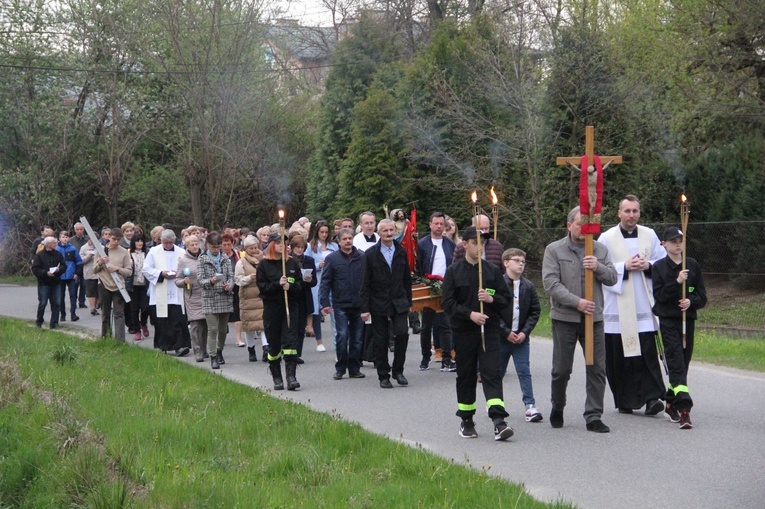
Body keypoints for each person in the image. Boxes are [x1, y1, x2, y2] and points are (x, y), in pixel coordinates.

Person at [542, 206, 618, 432]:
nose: (584, 230)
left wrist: (598, 267)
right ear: (569, 225)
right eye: (579, 224)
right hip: (565, 318)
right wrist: (577, 302)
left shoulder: (600, 250)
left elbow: (613, 278)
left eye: (588, 226)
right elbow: (551, 284)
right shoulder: (554, 250)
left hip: (593, 320)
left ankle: (593, 415)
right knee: (561, 369)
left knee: (597, 368)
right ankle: (557, 405)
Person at [441, 226, 515, 441]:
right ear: (465, 244)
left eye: (483, 243)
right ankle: (466, 420)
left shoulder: (492, 271)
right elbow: (448, 303)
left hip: (489, 331)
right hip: (464, 331)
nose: (480, 247)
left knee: (492, 373)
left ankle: (499, 421)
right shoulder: (454, 271)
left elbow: (505, 298)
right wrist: (470, 314)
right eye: (476, 243)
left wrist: (492, 300)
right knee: (465, 375)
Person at [598, 195, 667, 415]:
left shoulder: (650, 235)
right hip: (617, 306)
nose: (631, 215)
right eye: (627, 211)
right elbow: (599, 268)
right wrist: (623, 267)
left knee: (646, 353)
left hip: (643, 305)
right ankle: (625, 400)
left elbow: (663, 262)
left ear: (639, 213)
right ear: (619, 213)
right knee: (619, 356)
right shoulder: (606, 238)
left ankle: (652, 398)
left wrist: (647, 265)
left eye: (635, 211)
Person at [652, 226, 707, 429]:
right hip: (668, 322)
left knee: (682, 363)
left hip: (687, 321)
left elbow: (702, 296)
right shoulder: (659, 267)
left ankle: (669, 400)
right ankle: (684, 409)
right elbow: (660, 297)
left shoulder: (692, 265)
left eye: (680, 241)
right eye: (673, 241)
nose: (677, 244)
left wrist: (691, 302)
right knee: (676, 363)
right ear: (664, 244)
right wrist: (677, 282)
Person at [359, 219, 412, 389]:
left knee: (402, 333)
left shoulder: (401, 251)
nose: (389, 234)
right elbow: (365, 282)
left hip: (399, 300)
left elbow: (406, 279)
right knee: (380, 340)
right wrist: (364, 308)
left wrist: (409, 302)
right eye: (385, 231)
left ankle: (398, 370)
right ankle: (383, 375)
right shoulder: (371, 254)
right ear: (379, 233)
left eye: (391, 230)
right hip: (378, 302)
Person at [498, 248, 543, 422]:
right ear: (506, 263)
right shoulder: (497, 284)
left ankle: (530, 406)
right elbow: (492, 312)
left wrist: (524, 332)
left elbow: (535, 311)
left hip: (521, 339)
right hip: (502, 339)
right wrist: (506, 331)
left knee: (524, 371)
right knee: (498, 372)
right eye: (517, 260)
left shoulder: (529, 286)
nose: (521, 264)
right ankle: (495, 404)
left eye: (523, 261)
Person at [257, 232, 304, 391]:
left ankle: (291, 376)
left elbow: (300, 286)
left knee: (291, 342)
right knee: (274, 343)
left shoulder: (292, 263)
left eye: (283, 243)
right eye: (277, 242)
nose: (281, 245)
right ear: (271, 244)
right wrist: (277, 284)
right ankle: (277, 376)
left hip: (290, 308)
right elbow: (262, 288)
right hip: (272, 309)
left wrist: (290, 287)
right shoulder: (263, 265)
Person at [320, 228, 365, 380]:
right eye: (344, 239)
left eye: (349, 238)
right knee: (342, 335)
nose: (347, 241)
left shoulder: (361, 257)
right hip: (340, 303)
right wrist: (324, 302)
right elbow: (325, 281)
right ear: (339, 242)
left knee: (357, 338)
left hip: (358, 304)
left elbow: (368, 280)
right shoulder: (333, 259)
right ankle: (340, 367)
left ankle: (354, 367)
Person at [417, 211, 457, 372]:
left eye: (442, 224)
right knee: (426, 325)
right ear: (430, 224)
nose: (439, 226)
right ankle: (425, 356)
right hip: (428, 287)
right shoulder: (422, 244)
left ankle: (447, 357)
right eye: (436, 223)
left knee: (446, 324)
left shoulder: (449, 244)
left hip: (445, 288)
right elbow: (418, 265)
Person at [143, 229, 191, 356]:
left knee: (177, 319)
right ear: (161, 241)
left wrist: (179, 274)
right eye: (165, 243)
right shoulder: (154, 251)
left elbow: (187, 268)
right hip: (160, 289)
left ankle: (179, 346)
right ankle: (162, 345)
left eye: (170, 243)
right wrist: (161, 273)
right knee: (162, 320)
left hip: (176, 290)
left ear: (174, 241)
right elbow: (146, 269)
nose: (168, 245)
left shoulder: (181, 252)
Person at [197, 231, 234, 370]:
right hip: (210, 298)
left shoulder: (225, 257)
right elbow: (200, 280)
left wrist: (229, 285)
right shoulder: (202, 259)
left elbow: (231, 276)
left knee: (223, 330)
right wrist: (211, 281)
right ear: (207, 245)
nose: (216, 250)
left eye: (218, 247)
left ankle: (219, 351)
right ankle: (213, 356)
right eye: (213, 247)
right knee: (212, 329)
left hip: (224, 296)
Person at [92, 228, 133, 341]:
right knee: (105, 312)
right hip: (104, 284)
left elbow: (129, 271)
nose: (116, 242)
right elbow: (94, 270)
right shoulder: (101, 250)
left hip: (118, 285)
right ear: (109, 237)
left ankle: (120, 340)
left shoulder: (124, 252)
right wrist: (100, 262)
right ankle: (106, 337)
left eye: (119, 240)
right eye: (114, 239)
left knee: (119, 313)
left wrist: (117, 269)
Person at [176, 235, 208, 362]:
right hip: (192, 295)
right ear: (187, 246)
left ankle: (205, 349)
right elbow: (177, 280)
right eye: (192, 245)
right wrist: (184, 281)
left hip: (205, 294)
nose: (195, 247)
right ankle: (198, 351)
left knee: (205, 324)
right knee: (195, 325)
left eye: (196, 244)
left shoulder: (205, 257)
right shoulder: (183, 260)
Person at [305, 219, 337, 350]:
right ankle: (319, 342)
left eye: (326, 232)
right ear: (316, 232)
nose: (324, 234)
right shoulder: (310, 246)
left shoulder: (334, 246)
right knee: (317, 311)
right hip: (317, 281)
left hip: (333, 282)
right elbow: (306, 265)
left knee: (335, 310)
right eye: (321, 232)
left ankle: (337, 340)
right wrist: (319, 265)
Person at [235, 235, 266, 362]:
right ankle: (251, 349)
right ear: (246, 249)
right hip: (248, 298)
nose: (254, 250)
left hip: (262, 296)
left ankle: (266, 348)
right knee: (249, 326)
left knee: (264, 324)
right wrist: (249, 278)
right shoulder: (241, 262)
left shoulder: (264, 260)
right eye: (251, 248)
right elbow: (238, 280)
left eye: (255, 247)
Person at [291, 234, 317, 363]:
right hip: (292, 296)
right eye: (297, 247)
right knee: (292, 327)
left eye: (302, 247)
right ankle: (289, 352)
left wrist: (310, 280)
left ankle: (297, 353)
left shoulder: (309, 261)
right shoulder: (287, 260)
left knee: (301, 327)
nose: (300, 250)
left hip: (304, 296)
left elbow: (314, 282)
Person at [31, 236, 66, 329]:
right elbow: (35, 269)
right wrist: (45, 273)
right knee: (43, 303)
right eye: (54, 243)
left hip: (56, 282)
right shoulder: (39, 255)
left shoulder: (58, 254)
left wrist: (59, 269)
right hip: (44, 283)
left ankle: (54, 323)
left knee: (57, 303)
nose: (56, 244)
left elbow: (64, 265)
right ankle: (39, 321)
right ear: (48, 244)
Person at [221, 233, 244, 347]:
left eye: (228, 244)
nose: (226, 247)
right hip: (221, 286)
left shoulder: (238, 255)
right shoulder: (218, 256)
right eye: (224, 244)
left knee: (237, 312)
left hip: (236, 286)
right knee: (222, 313)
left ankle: (238, 338)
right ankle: (221, 337)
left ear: (233, 244)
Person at [56, 230, 83, 322]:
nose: (65, 239)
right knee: (60, 296)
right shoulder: (56, 249)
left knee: (73, 294)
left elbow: (79, 262)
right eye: (63, 237)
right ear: (59, 238)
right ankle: (62, 314)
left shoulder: (73, 249)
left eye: (66, 237)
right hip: (60, 276)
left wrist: (77, 273)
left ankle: (73, 314)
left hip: (71, 276)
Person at [128, 234, 150, 341]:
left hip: (145, 284)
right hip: (133, 285)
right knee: (134, 309)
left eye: (141, 241)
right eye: (137, 241)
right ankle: (137, 330)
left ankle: (144, 323)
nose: (139, 243)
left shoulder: (148, 253)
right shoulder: (129, 253)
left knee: (145, 307)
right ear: (133, 243)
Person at [69, 222, 88, 310]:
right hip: (75, 266)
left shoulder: (87, 239)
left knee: (84, 284)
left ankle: (82, 302)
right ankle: (74, 302)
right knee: (75, 284)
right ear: (75, 230)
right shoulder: (71, 240)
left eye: (81, 229)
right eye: (77, 229)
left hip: (85, 264)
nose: (79, 231)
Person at [79, 237, 100, 315]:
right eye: (91, 239)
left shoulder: (101, 247)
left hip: (99, 273)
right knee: (91, 291)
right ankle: (92, 308)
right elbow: (80, 260)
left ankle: (98, 303)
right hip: (89, 272)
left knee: (99, 291)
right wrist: (88, 256)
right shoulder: (84, 248)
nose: (93, 241)